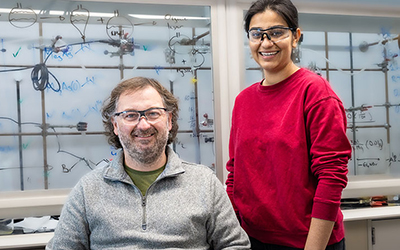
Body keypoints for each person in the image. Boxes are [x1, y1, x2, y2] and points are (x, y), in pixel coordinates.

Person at [46, 76, 250, 249]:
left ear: (169, 121)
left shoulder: (205, 183)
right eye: (130, 115)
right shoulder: (87, 190)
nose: (143, 125)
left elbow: (235, 245)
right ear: (115, 125)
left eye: (153, 113)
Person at [225, 0, 352, 249]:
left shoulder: (315, 93)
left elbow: (331, 177)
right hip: (252, 238)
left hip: (308, 241)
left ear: (295, 37)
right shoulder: (243, 100)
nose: (266, 42)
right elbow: (235, 174)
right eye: (256, 34)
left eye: (276, 32)